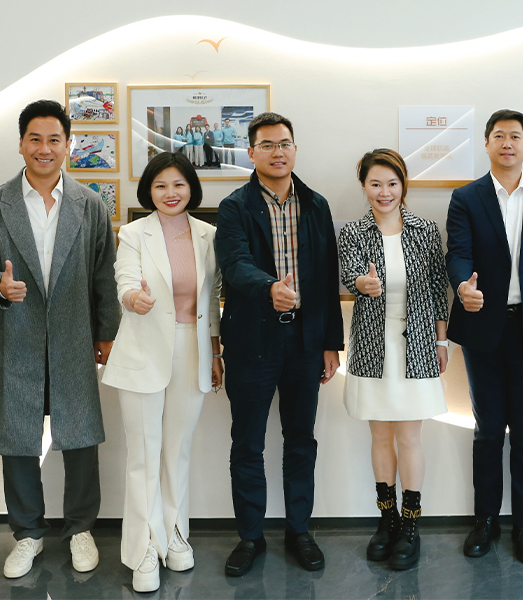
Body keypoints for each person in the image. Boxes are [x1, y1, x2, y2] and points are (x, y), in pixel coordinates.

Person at [0, 99, 120, 580]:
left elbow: (104, 274)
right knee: (18, 439)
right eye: (35, 139)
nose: (44, 148)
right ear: (21, 144)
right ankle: (27, 533)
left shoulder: (90, 204)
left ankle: (80, 529)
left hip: (74, 335)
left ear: (68, 145)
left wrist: (107, 333)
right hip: (16, 335)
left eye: (54, 139)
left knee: (80, 436)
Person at [215, 112, 344, 577]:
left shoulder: (316, 204)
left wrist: (331, 343)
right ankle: (250, 537)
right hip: (252, 341)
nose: (278, 152)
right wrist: (269, 286)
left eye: (285, 143)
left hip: (305, 341)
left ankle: (299, 531)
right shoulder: (234, 207)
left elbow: (327, 277)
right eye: (267, 145)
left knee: (301, 440)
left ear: (295, 149)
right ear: (251, 153)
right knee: (247, 443)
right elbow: (234, 263)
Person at [445, 109, 523, 565]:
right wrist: (463, 285)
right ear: (487, 143)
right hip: (483, 328)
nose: (507, 143)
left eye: (516, 136)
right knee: (488, 431)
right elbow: (458, 253)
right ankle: (485, 522)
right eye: (499, 135)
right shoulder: (466, 197)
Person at [101, 152, 222, 592]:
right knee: (144, 455)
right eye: (160, 186)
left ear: (191, 188)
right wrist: (133, 298)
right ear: (148, 191)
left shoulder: (209, 234)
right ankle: (143, 549)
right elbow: (124, 280)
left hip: (192, 348)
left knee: (178, 451)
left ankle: (174, 534)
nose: (170, 193)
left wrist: (214, 350)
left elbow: (212, 299)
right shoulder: (133, 233)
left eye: (178, 185)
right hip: (143, 350)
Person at [338, 149, 449, 571]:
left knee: (410, 438)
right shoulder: (353, 231)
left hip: (417, 343)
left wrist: (441, 342)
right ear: (363, 186)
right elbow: (349, 275)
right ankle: (386, 521)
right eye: (375, 184)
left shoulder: (425, 230)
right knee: (380, 436)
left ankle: (411, 525)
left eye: (392, 183)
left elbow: (438, 288)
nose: (384, 192)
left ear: (403, 186)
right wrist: (361, 283)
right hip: (371, 344)